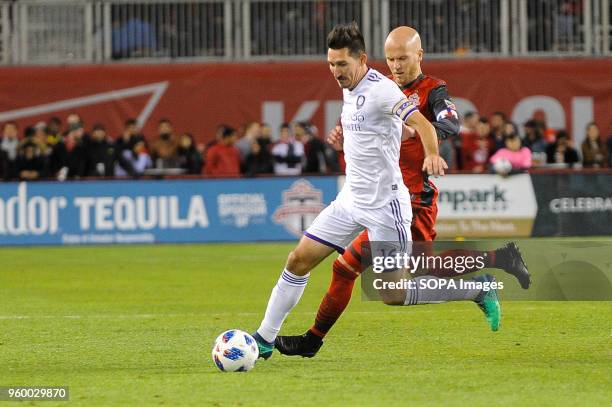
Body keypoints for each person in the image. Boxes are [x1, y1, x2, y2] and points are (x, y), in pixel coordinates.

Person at [275, 26, 530, 358]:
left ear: (419, 56)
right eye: (391, 58)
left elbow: (450, 124)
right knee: (354, 269)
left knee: (415, 275)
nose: (395, 65)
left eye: (403, 58)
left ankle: (489, 274)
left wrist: (415, 136)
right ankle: (312, 340)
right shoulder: (377, 88)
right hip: (378, 202)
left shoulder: (432, 90)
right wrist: (341, 144)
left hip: (412, 200)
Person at [251, 22, 448, 360]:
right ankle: (264, 339)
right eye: (330, 64)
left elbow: (424, 124)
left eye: (342, 64)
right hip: (350, 201)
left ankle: (475, 289)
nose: (335, 71)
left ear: (361, 60)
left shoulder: (383, 90)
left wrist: (431, 154)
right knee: (298, 260)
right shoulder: (350, 86)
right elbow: (375, 135)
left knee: (393, 294)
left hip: (386, 206)